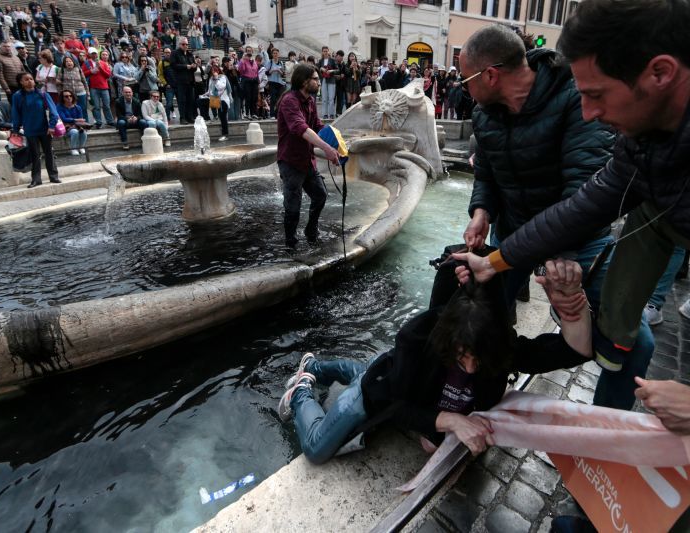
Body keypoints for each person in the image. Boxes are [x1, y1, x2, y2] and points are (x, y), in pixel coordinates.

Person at [455, 1, 690, 406]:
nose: (589, 112)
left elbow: (580, 193)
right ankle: (470, 397)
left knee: (636, 343)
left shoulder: (576, 105)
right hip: (522, 234)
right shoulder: (640, 144)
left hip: (572, 244)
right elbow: (582, 205)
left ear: (661, 73)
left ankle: (600, 443)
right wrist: (487, 235)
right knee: (476, 315)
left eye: (595, 95)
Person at [279, 257, 593, 464]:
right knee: (317, 449)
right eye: (462, 358)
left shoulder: (499, 347)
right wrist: (448, 420)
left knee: (377, 368)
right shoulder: (417, 339)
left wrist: (570, 305)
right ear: (448, 341)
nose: (470, 369)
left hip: (391, 371)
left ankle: (318, 366)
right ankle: (302, 388)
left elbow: (575, 350)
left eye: (478, 362)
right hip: (380, 392)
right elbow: (395, 405)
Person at [276, 63, 340, 249]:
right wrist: (326, 149)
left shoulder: (310, 101)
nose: (319, 83)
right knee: (293, 207)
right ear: (304, 81)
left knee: (320, 195)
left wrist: (337, 141)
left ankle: (311, 231)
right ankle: (290, 244)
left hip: (306, 161)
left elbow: (317, 126)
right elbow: (301, 128)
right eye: (316, 79)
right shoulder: (289, 101)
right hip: (291, 162)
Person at [11, 71, 61, 188]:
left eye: (31, 79)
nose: (30, 81)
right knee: (34, 155)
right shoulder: (17, 96)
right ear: (21, 83)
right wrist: (16, 129)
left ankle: (53, 176)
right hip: (30, 130)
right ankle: (36, 179)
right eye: (26, 79)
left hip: (45, 129)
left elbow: (54, 111)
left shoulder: (43, 94)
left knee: (49, 153)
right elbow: (16, 114)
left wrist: (52, 126)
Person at [82, 47, 114, 128]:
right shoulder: (86, 63)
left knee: (106, 105)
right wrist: (91, 71)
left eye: (95, 53)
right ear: (89, 54)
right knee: (96, 106)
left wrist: (100, 68)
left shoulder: (103, 63)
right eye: (92, 53)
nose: (94, 55)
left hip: (104, 87)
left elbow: (108, 75)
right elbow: (82, 74)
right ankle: (98, 122)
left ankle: (109, 121)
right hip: (93, 87)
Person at [57, 55, 89, 122]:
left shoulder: (78, 69)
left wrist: (87, 92)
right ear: (64, 63)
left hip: (81, 92)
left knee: (83, 109)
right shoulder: (61, 70)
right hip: (69, 94)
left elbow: (84, 81)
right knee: (72, 109)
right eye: (67, 61)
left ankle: (85, 123)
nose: (69, 63)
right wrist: (61, 93)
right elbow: (58, 83)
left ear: (73, 62)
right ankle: (75, 124)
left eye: (70, 61)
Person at [169, 36, 194, 124]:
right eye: (183, 44)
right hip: (180, 81)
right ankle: (182, 118)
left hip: (190, 81)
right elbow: (173, 65)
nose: (185, 46)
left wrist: (194, 66)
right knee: (181, 100)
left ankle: (189, 117)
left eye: (187, 44)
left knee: (190, 100)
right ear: (179, 45)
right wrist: (185, 66)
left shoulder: (190, 54)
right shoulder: (175, 53)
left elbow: (192, 66)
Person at [56, 89, 88, 155]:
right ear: (62, 98)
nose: (69, 97)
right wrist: (75, 120)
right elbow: (63, 119)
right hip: (65, 127)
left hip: (77, 126)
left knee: (83, 132)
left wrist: (77, 122)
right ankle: (73, 149)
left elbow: (81, 119)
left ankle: (81, 147)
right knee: (75, 132)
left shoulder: (78, 107)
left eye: (70, 96)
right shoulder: (59, 107)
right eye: (66, 96)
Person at [114, 85, 146, 150]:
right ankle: (125, 143)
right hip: (125, 120)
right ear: (122, 93)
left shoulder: (137, 101)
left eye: (129, 92)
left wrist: (136, 118)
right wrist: (127, 119)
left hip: (135, 120)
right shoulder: (118, 101)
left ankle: (145, 140)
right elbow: (119, 115)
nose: (128, 94)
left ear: (132, 93)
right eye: (126, 92)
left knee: (143, 122)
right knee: (121, 123)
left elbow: (141, 115)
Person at [207, 64, 230, 141]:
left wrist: (216, 79)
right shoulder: (211, 78)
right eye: (212, 71)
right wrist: (206, 94)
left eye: (215, 71)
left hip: (223, 100)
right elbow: (210, 89)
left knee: (223, 117)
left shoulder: (222, 77)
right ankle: (223, 132)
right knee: (220, 116)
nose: (213, 73)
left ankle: (225, 134)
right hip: (215, 99)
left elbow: (221, 87)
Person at [236, 45, 259, 120]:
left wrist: (257, 80)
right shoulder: (243, 61)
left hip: (254, 81)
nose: (249, 52)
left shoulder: (254, 61)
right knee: (248, 97)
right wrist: (242, 60)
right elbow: (241, 71)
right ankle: (247, 113)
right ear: (245, 52)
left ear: (252, 52)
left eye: (250, 51)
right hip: (247, 81)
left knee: (254, 97)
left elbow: (256, 71)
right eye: (247, 51)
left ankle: (253, 113)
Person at [316, 47, 337, 119]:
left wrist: (331, 71)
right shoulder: (320, 61)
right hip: (324, 80)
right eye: (324, 51)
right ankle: (324, 114)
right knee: (324, 98)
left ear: (328, 52)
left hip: (331, 80)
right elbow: (317, 69)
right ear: (322, 52)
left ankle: (331, 114)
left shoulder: (332, 60)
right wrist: (321, 68)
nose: (325, 52)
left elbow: (338, 70)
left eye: (326, 51)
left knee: (331, 98)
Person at [265, 47, 284, 119]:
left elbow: (283, 74)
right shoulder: (269, 62)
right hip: (272, 82)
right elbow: (266, 73)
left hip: (279, 83)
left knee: (279, 99)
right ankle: (272, 114)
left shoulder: (281, 62)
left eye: (276, 53)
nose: (275, 55)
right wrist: (272, 71)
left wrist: (280, 71)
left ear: (278, 54)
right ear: (272, 54)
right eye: (274, 53)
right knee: (273, 98)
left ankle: (277, 114)